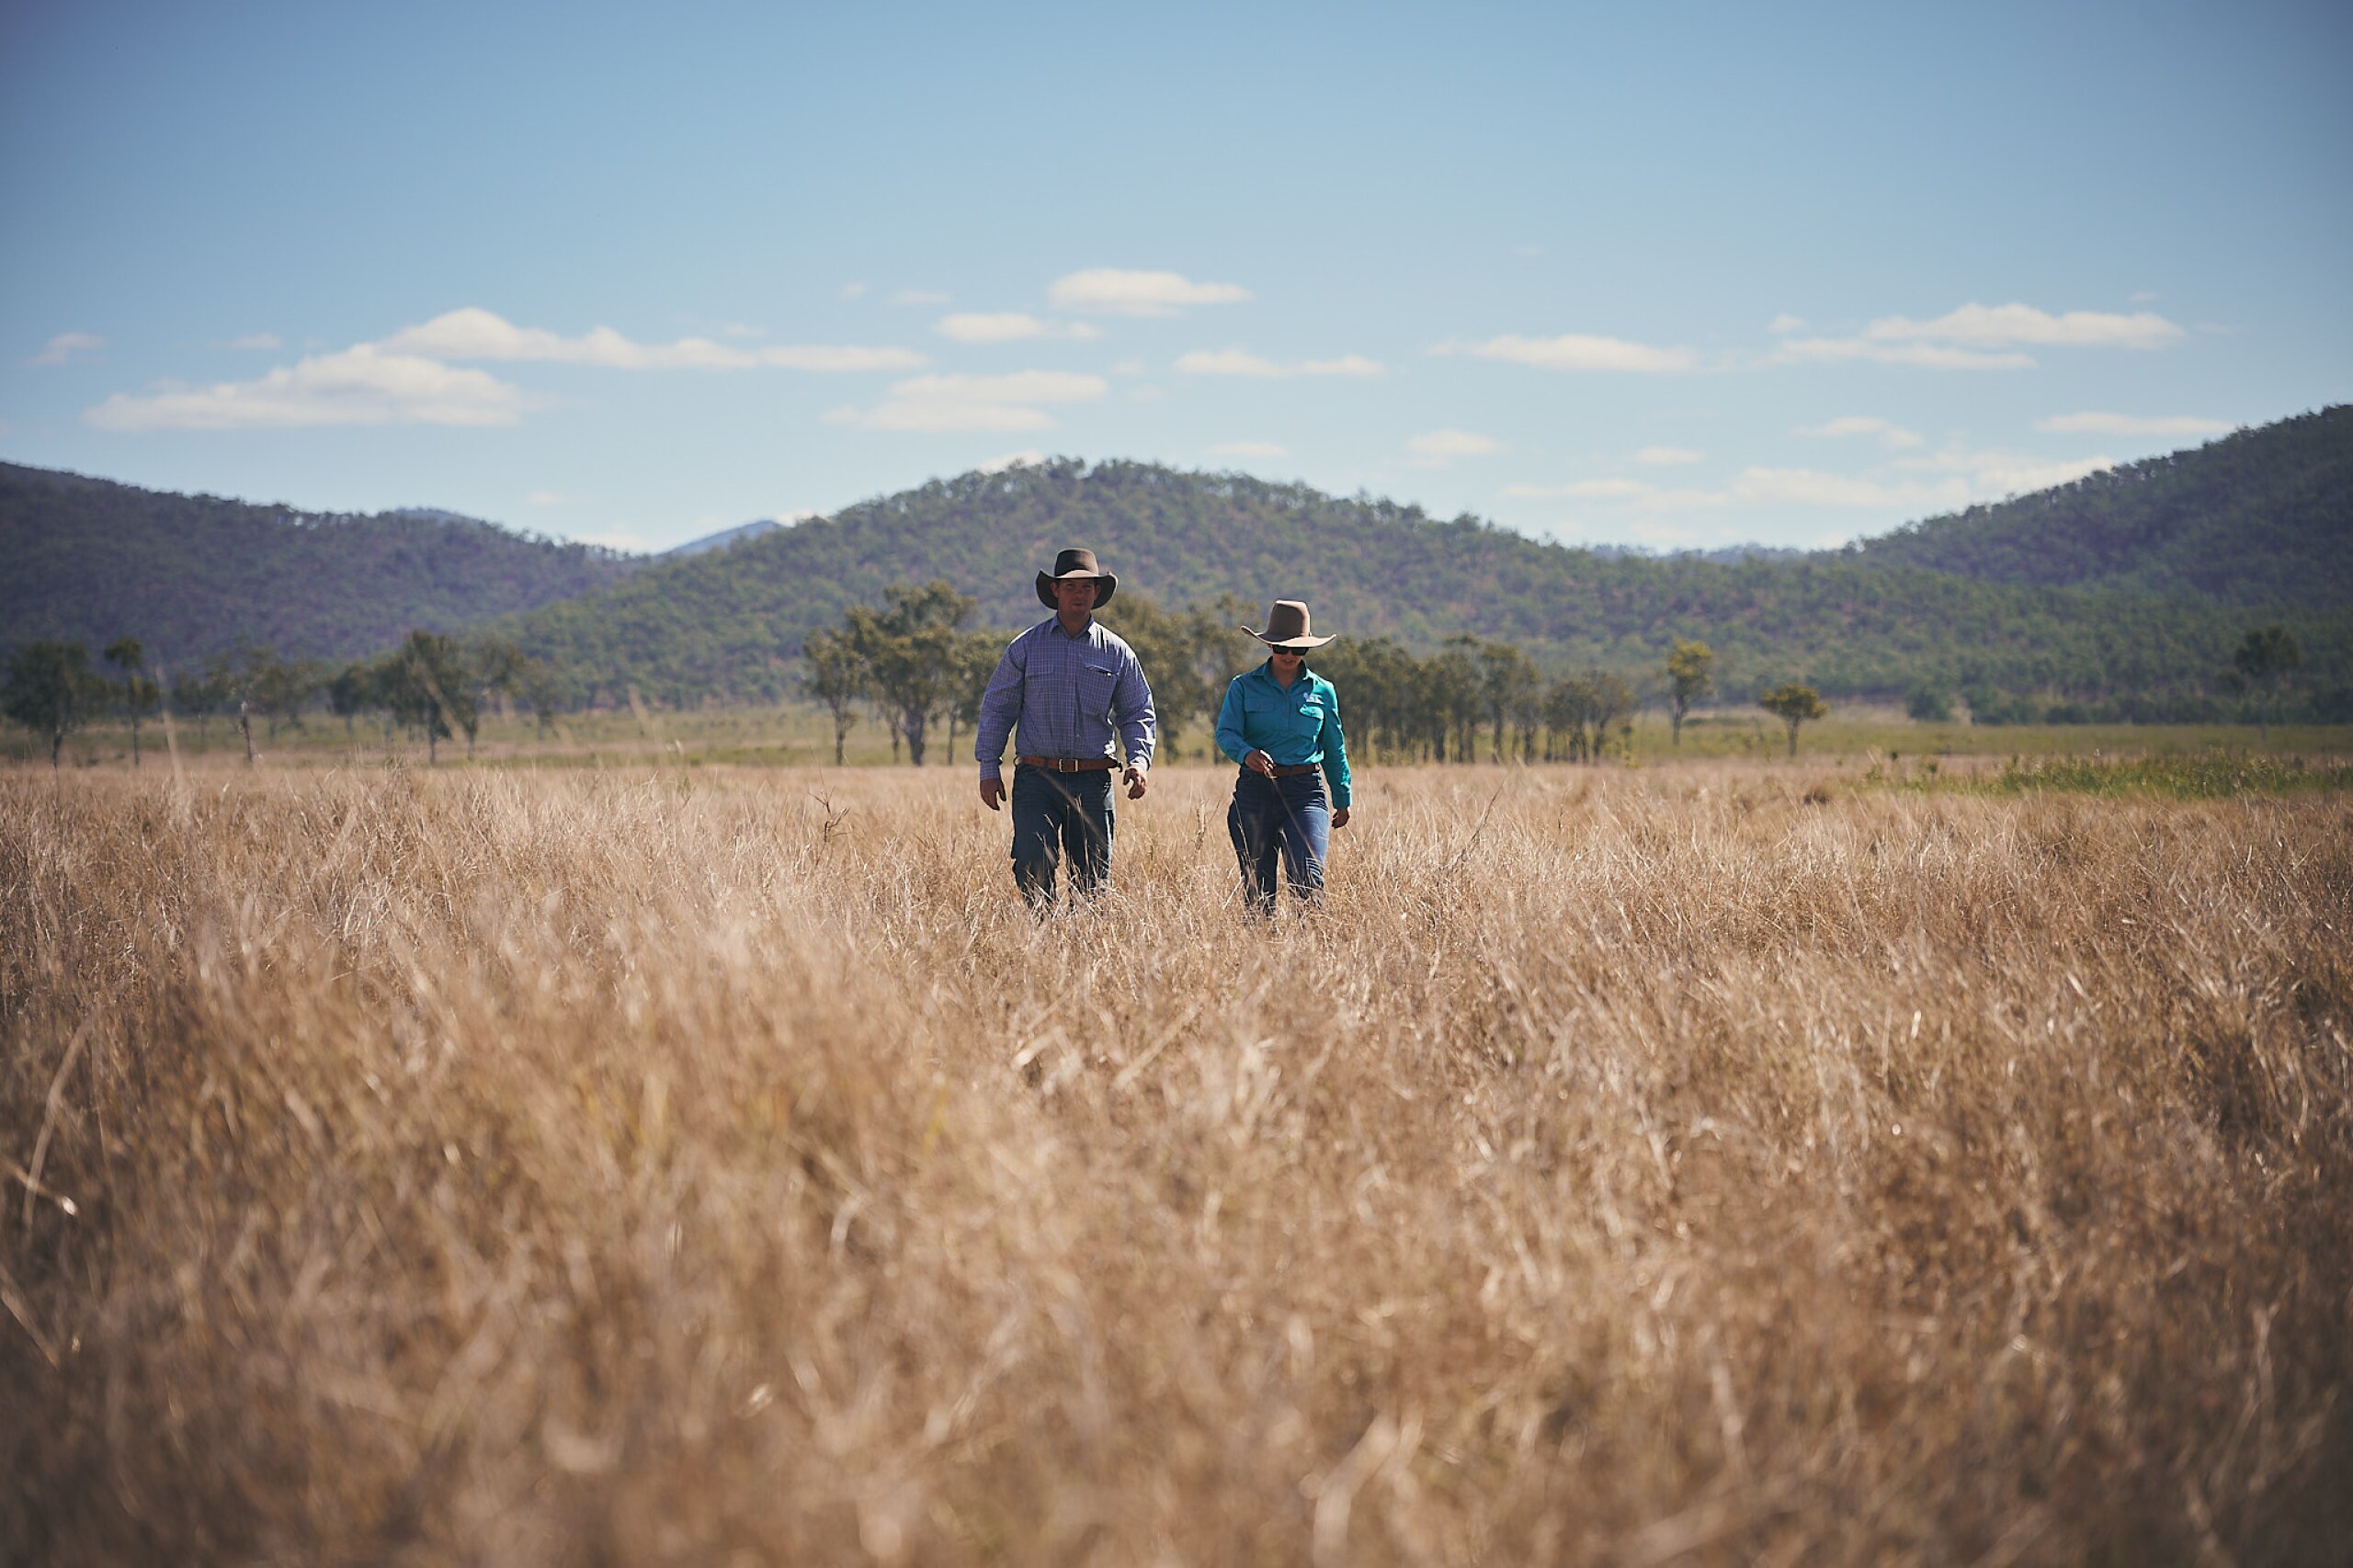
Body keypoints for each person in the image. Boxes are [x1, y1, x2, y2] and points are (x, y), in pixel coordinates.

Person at [974, 548, 1156, 905]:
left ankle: (1080, 948)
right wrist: (988, 766)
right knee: (1032, 861)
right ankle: (1043, 936)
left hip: (1093, 779)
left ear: (1096, 593)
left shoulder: (1117, 652)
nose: (1079, 593)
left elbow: (1137, 712)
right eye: (1071, 586)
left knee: (1092, 877)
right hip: (1037, 778)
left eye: (1087, 586)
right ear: (1055, 590)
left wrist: (1139, 761)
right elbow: (998, 708)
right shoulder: (1025, 648)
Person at [1214, 599, 1353, 914]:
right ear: (1269, 646)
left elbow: (1334, 747)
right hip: (1255, 791)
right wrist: (1246, 753)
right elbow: (1226, 733)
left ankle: (1312, 954)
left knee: (1308, 878)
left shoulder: (1323, 691)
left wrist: (1342, 798)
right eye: (1281, 648)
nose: (1289, 656)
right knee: (1258, 889)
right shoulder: (1243, 687)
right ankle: (1261, 955)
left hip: (1306, 791)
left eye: (1298, 650)